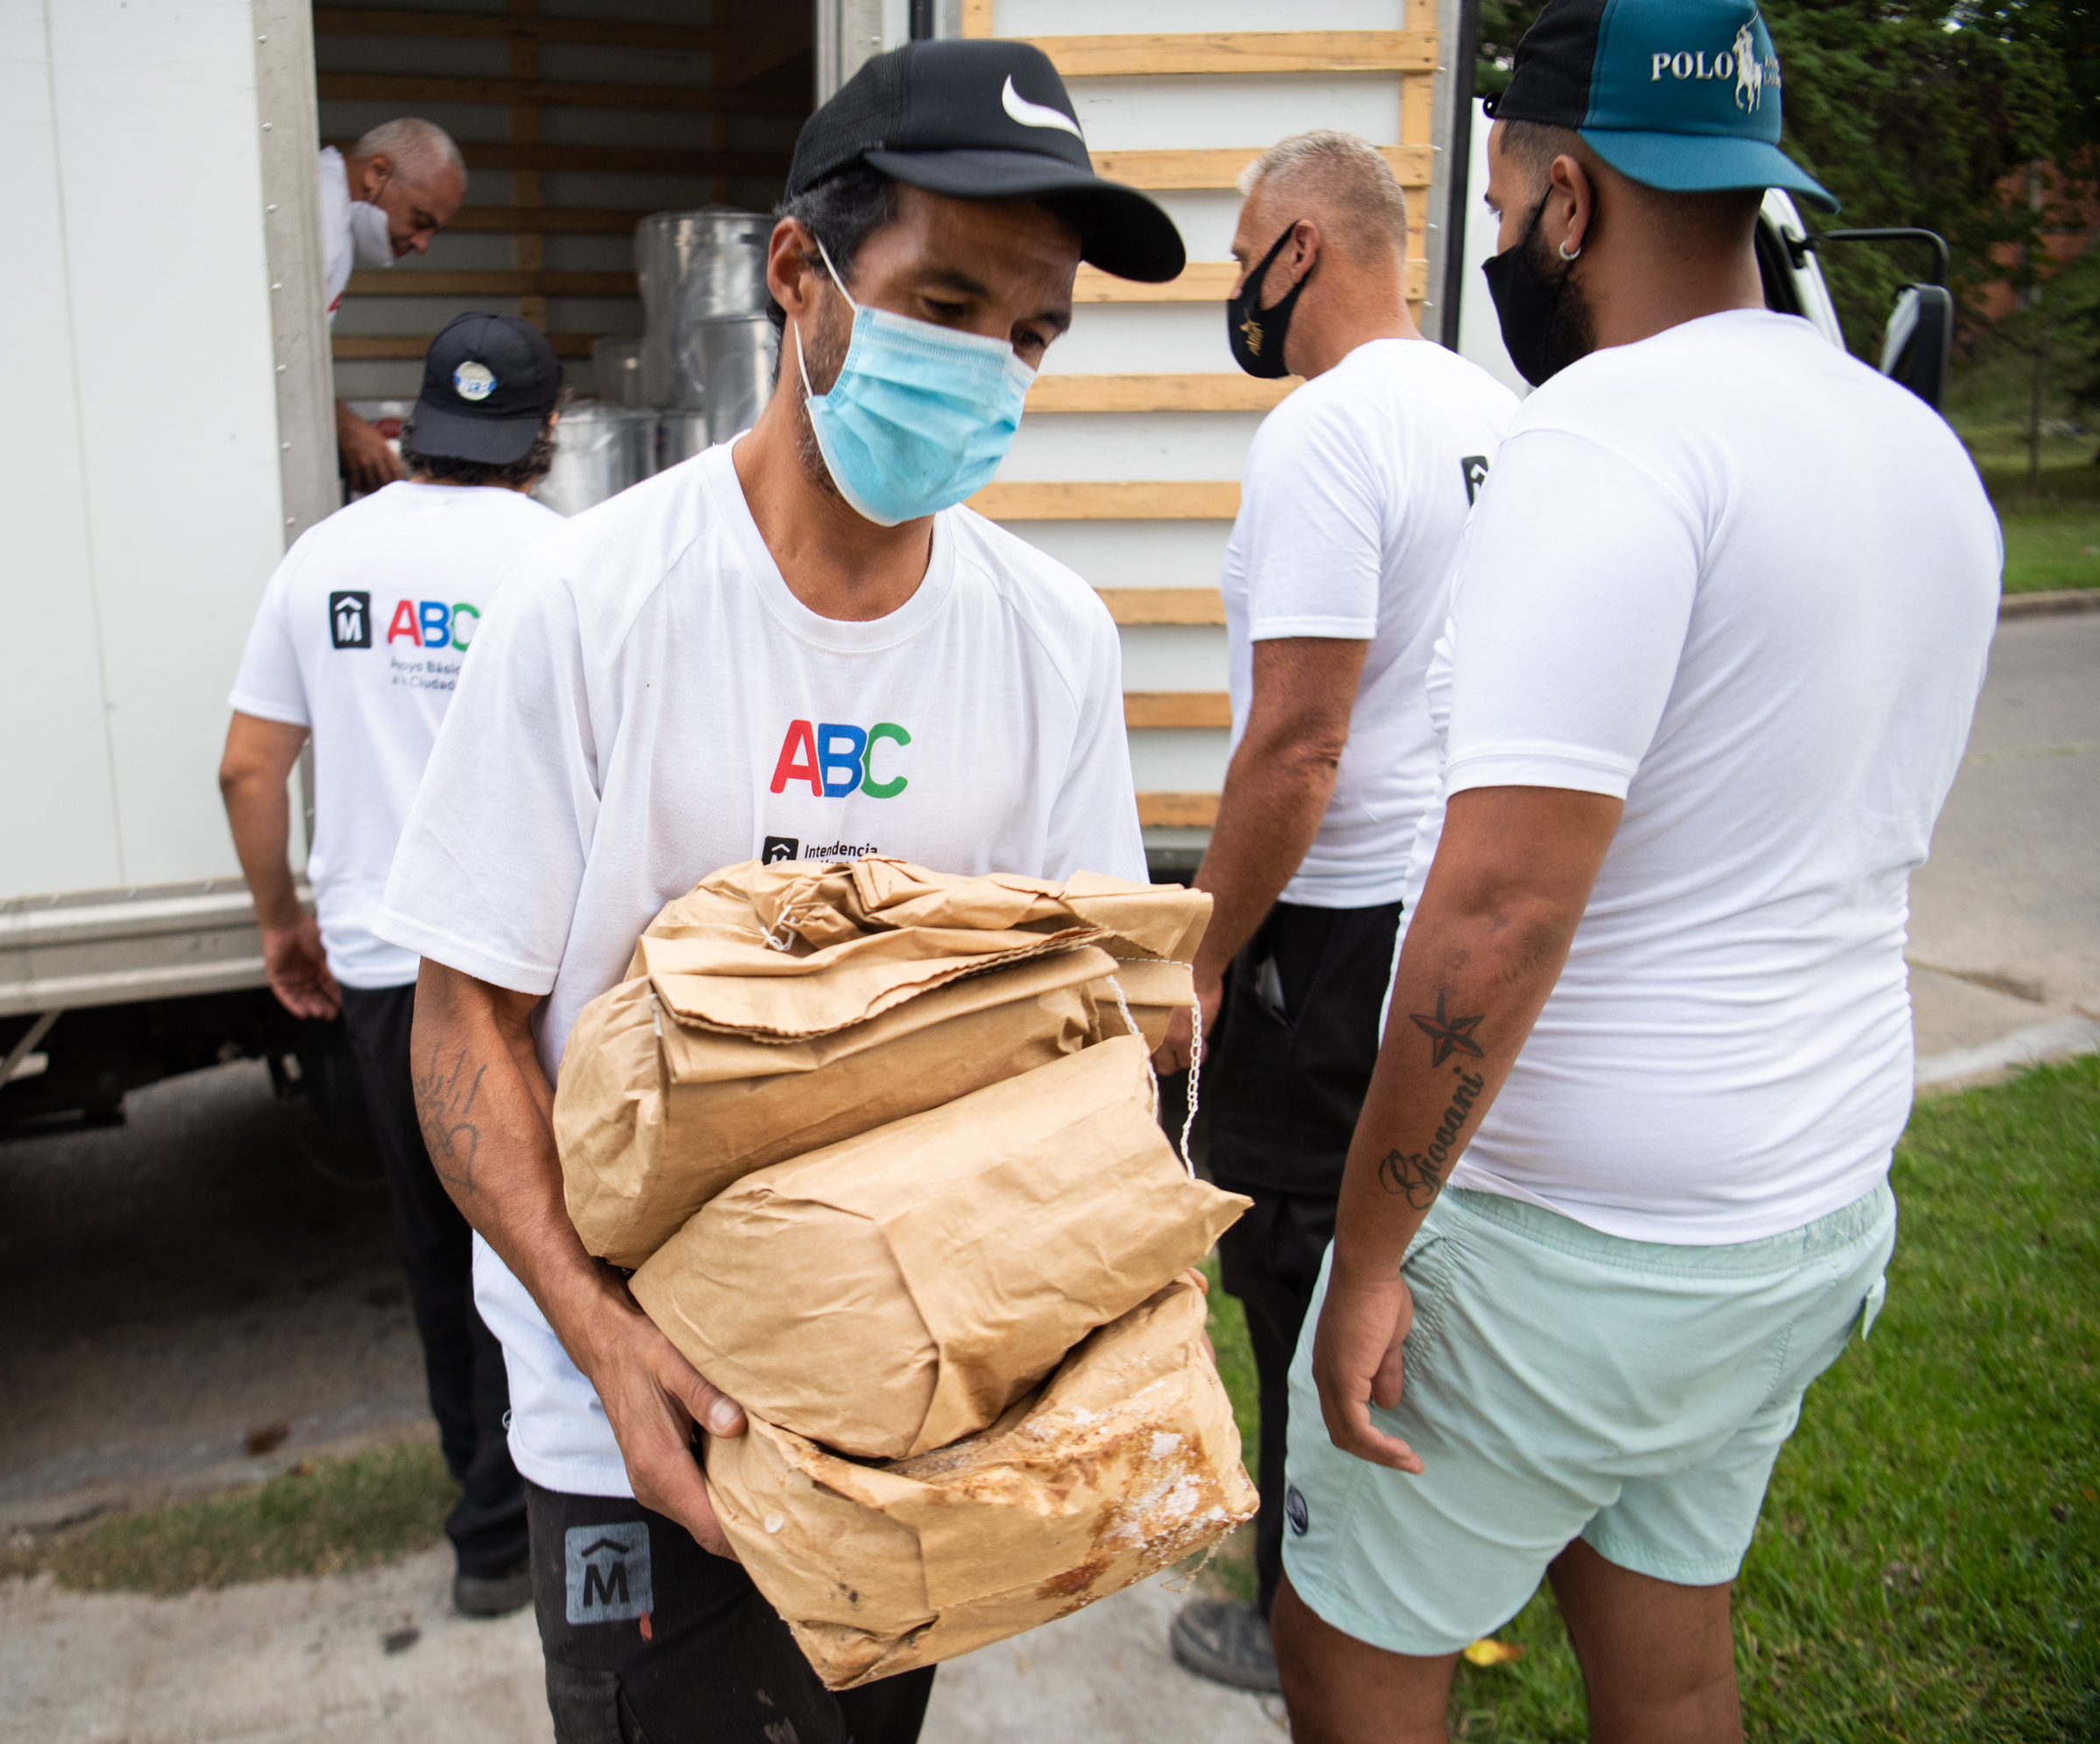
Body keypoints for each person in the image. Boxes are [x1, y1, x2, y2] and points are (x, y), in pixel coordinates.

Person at [368, 39, 1185, 1742]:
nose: (993, 371)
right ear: (797, 271)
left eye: (1032, 335)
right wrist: (600, 1336)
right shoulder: (591, 609)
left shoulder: (1050, 641)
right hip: (637, 1425)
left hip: (901, 1413)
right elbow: (462, 1029)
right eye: (948, 304)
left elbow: (1091, 1027)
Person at [1272, 3, 2002, 1738]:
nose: (1509, 245)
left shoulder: (1602, 440)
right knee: (1670, 1663)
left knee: (1346, 1649)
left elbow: (1504, 904)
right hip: (1802, 1207)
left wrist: (1371, 1252)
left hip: (1557, 1243)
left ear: (1573, 199)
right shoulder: (1919, 451)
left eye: (1513, 206)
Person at [1147, 129, 1519, 1695]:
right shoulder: (1499, 418)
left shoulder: (1325, 433)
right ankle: (1447, 1572)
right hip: (1457, 918)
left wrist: (1207, 953)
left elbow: (1299, 743)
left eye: (1244, 254)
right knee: (1417, 1256)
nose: (1239, 287)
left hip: (1335, 932)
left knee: (1301, 1276)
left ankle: (1315, 1616)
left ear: (1303, 244)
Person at [218, 313, 565, 1618]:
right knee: (547, 1246)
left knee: (437, 1251)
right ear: (544, 432)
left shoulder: (320, 562)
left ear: (417, 422)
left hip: (379, 970)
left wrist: (281, 923)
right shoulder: (563, 556)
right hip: (524, 970)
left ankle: (482, 1535)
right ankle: (549, 1514)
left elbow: (248, 766)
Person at [322, 118, 470, 494]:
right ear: (377, 172)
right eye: (421, 221)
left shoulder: (334, 216)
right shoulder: (316, 215)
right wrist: (341, 425)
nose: (422, 244)